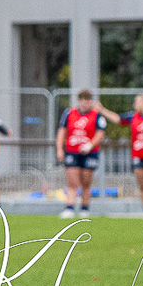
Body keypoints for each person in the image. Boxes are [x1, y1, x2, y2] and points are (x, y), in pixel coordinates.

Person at [56, 90, 108, 219]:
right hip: (72, 151)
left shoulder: (96, 115)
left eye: (88, 100)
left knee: (86, 181)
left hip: (90, 153)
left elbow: (100, 133)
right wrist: (59, 149)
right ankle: (70, 207)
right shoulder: (69, 113)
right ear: (79, 101)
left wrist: (90, 145)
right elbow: (62, 132)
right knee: (72, 181)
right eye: (83, 100)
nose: (85, 103)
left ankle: (85, 208)